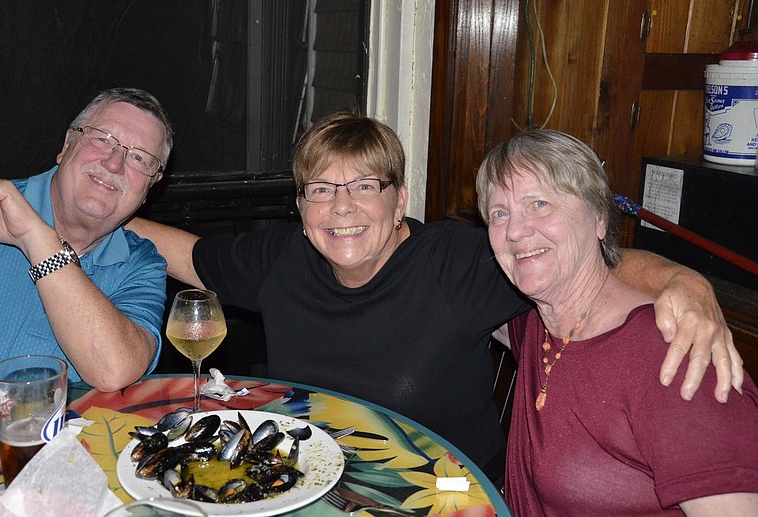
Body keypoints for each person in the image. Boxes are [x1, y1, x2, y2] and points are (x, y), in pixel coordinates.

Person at [126, 111, 741, 485]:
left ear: (399, 202)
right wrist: (89, 217)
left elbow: (581, 260)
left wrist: (683, 283)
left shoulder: (453, 261)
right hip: (312, 488)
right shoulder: (283, 258)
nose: (342, 208)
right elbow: (188, 253)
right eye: (321, 189)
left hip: (443, 496)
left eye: (365, 186)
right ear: (300, 207)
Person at [477, 129, 758, 515]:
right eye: (499, 213)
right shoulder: (533, 323)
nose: (515, 230)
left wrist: (688, 283)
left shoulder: (671, 354)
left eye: (540, 203)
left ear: (598, 218)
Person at [0, 87, 172, 444]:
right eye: (102, 139)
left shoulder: (140, 264)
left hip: (50, 478)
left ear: (152, 186)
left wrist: (38, 239)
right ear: (67, 144)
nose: (114, 164)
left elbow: (114, 370)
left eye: (140, 158)